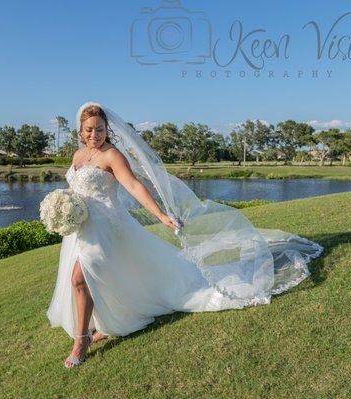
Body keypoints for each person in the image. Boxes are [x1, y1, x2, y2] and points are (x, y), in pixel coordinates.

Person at [46, 102, 323, 369]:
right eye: (89, 129)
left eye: (100, 129)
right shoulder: (78, 156)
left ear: (108, 129)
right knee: (99, 278)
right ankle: (105, 321)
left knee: (80, 278)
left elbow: (133, 186)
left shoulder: (112, 155)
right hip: (80, 229)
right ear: (80, 131)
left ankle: (81, 341)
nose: (94, 134)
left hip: (108, 228)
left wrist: (160, 215)